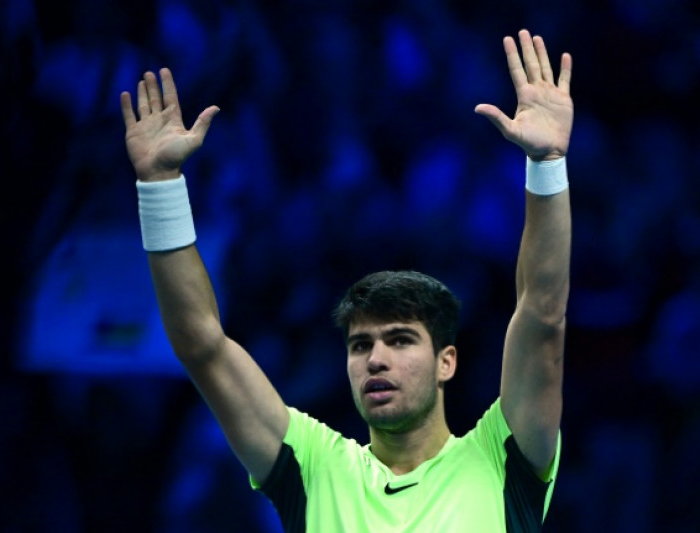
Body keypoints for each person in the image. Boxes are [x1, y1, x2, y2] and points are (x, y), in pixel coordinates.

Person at [120, 28, 572, 532]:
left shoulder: (501, 462)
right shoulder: (313, 467)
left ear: (447, 361)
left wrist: (547, 164)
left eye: (400, 340)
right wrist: (160, 186)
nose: (376, 359)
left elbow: (543, 314)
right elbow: (201, 342)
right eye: (360, 346)